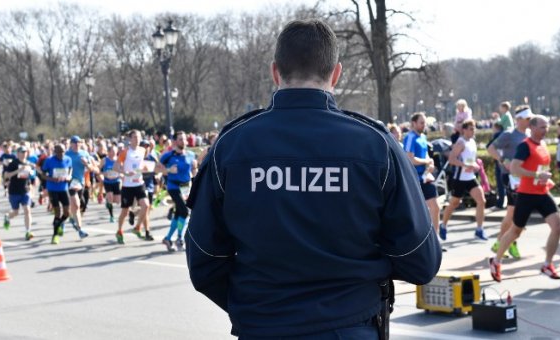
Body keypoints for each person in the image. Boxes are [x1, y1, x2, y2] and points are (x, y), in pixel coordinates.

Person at [187, 19, 441, 339]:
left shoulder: (232, 145)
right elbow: (420, 260)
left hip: (263, 326)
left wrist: (262, 308)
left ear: (275, 72)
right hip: (350, 324)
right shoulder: (375, 145)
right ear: (336, 73)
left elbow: (205, 259)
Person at [489, 114, 560, 282]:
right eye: (543, 127)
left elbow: (541, 166)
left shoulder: (543, 145)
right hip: (526, 194)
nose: (546, 130)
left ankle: (547, 264)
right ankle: (496, 261)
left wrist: (545, 178)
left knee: (557, 227)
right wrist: (536, 174)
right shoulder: (525, 146)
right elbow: (515, 169)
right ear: (533, 128)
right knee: (515, 231)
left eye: (547, 127)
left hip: (543, 192)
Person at [486, 106, 533, 259]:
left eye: (530, 118)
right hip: (510, 177)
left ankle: (501, 242)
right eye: (527, 119)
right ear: (518, 119)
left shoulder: (530, 135)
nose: (529, 121)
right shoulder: (509, 134)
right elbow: (491, 148)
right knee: (514, 212)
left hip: (525, 177)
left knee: (515, 213)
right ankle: (509, 242)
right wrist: (502, 160)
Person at [439, 119, 487, 241]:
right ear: (464, 130)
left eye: (474, 128)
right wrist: (465, 165)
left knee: (481, 201)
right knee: (454, 203)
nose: (473, 131)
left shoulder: (472, 142)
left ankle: (479, 230)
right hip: (460, 178)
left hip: (470, 177)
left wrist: (475, 165)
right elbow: (451, 159)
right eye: (471, 129)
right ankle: (443, 225)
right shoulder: (460, 143)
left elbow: (471, 159)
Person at [404, 112, 442, 243]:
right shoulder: (410, 137)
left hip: (426, 178)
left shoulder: (424, 137)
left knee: (435, 207)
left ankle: (435, 239)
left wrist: (430, 164)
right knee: (416, 212)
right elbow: (410, 158)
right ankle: (416, 239)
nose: (424, 125)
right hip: (414, 179)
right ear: (413, 123)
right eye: (421, 122)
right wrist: (426, 162)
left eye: (425, 122)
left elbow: (425, 157)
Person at [158, 131, 197, 252]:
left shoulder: (190, 154)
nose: (183, 141)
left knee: (179, 213)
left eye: (184, 139)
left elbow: (194, 170)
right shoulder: (168, 155)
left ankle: (168, 238)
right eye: (180, 139)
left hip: (185, 187)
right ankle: (180, 238)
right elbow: (156, 168)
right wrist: (169, 170)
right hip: (173, 186)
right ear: (175, 142)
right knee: (185, 212)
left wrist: (195, 182)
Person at [114, 130, 151, 244]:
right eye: (134, 137)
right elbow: (116, 167)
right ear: (130, 139)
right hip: (128, 185)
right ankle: (119, 231)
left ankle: (137, 227)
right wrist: (125, 172)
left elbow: (141, 163)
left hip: (139, 183)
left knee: (146, 205)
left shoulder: (143, 150)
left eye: (139, 137)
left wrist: (145, 168)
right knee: (125, 211)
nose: (137, 139)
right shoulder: (125, 152)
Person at [40, 144, 73, 245]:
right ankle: (55, 236)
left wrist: (69, 176)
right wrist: (52, 179)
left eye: (63, 152)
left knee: (67, 213)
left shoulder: (68, 159)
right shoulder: (49, 161)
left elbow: (70, 168)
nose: (61, 154)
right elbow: (42, 174)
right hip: (52, 189)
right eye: (59, 152)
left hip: (64, 188)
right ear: (55, 152)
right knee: (57, 212)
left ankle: (58, 223)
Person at [2, 146, 35, 240]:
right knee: (15, 212)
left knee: (27, 210)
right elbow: (6, 175)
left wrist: (32, 174)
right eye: (22, 152)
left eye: (25, 152)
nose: (24, 154)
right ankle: (8, 217)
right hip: (14, 191)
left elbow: (31, 176)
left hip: (25, 190)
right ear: (18, 153)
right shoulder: (13, 163)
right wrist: (18, 171)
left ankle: (28, 231)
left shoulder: (29, 163)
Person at [100, 144, 121, 223]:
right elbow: (99, 170)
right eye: (112, 151)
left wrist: (121, 174)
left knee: (117, 200)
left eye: (115, 151)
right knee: (110, 197)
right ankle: (112, 216)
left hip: (116, 181)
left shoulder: (118, 160)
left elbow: (122, 169)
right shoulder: (104, 160)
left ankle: (108, 201)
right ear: (108, 152)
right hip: (107, 181)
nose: (114, 153)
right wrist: (103, 173)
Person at [487, 122, 506, 209]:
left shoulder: (498, 135)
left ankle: (500, 203)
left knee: (500, 183)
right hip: (508, 160)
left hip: (500, 161)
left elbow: (489, 146)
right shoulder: (507, 134)